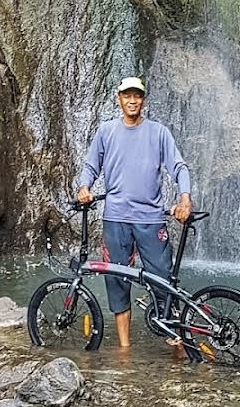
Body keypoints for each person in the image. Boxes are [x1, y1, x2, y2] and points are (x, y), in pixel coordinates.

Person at [76, 76, 192, 349]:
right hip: (116, 218)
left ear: (143, 100)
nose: (132, 100)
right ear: (118, 99)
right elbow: (91, 165)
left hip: (151, 219)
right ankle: (125, 348)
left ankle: (175, 342)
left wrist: (185, 197)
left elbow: (178, 167)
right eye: (127, 95)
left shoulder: (158, 132)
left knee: (163, 278)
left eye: (137, 96)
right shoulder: (106, 131)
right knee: (117, 281)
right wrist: (84, 187)